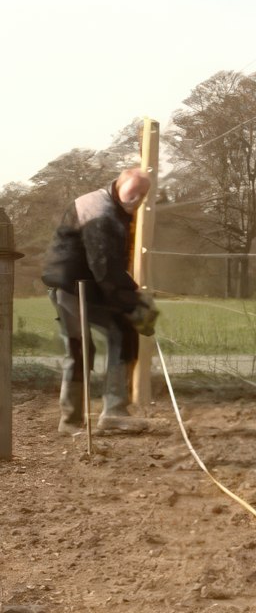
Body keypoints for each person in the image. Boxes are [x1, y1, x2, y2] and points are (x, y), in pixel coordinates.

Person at [42, 168, 158, 435]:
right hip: (69, 284)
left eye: (142, 195)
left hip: (92, 282)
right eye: (133, 193)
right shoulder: (99, 211)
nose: (136, 200)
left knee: (123, 331)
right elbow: (105, 267)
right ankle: (70, 422)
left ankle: (115, 412)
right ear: (119, 184)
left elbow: (109, 267)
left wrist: (133, 308)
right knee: (80, 349)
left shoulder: (117, 206)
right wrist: (135, 306)